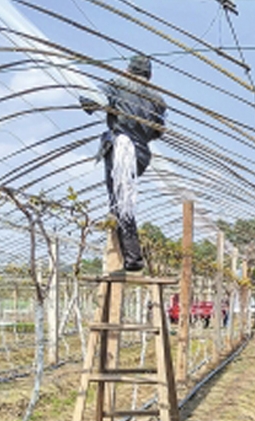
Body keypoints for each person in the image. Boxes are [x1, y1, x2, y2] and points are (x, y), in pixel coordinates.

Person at [80, 54, 167, 272]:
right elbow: (158, 131)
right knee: (123, 198)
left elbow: (91, 100)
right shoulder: (158, 99)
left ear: (128, 70)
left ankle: (133, 257)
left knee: (120, 203)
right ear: (149, 75)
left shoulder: (118, 84)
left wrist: (93, 103)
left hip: (122, 150)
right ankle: (131, 253)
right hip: (142, 155)